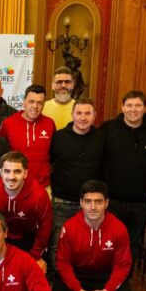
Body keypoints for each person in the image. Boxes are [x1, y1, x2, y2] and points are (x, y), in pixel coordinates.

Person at [55, 180, 136, 291]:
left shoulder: (119, 228)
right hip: (78, 271)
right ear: (81, 203)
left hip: (105, 272)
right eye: (88, 201)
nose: (93, 207)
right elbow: (63, 263)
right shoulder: (70, 227)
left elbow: (123, 265)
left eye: (98, 202)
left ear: (106, 203)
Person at [100, 91, 146, 265]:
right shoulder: (108, 129)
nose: (133, 110)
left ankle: (124, 278)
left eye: (138, 105)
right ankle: (106, 278)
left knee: (132, 244)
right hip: (112, 200)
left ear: (145, 108)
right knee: (108, 242)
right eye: (129, 105)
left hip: (140, 203)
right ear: (122, 107)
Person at [47, 98, 105, 273]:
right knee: (57, 245)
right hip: (62, 203)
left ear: (94, 116)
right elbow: (48, 164)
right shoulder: (58, 137)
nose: (83, 117)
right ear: (72, 115)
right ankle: (55, 281)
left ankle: (80, 282)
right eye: (79, 113)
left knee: (88, 246)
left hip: (90, 205)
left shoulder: (101, 138)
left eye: (88, 113)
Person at [0, 152, 52, 268]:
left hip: (26, 239)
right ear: (0, 172)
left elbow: (45, 226)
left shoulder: (39, 195)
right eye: (7, 171)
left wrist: (36, 255)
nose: (11, 177)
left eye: (17, 171)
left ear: (25, 173)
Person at [0, 84, 56, 189]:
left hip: (43, 186)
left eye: (39, 103)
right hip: (15, 185)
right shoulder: (9, 123)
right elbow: (1, 152)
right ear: (24, 101)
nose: (35, 106)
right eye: (31, 101)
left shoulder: (49, 123)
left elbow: (53, 154)